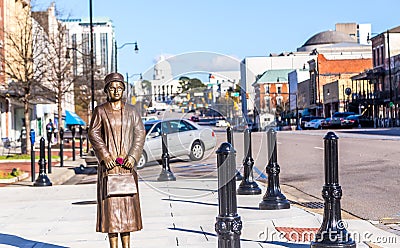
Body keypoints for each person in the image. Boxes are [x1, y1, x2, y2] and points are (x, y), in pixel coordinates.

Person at [88, 72, 146, 248]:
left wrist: (133, 156)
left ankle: (127, 246)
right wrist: (105, 156)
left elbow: (140, 134)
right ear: (106, 90)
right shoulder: (100, 111)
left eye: (119, 88)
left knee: (128, 212)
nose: (116, 91)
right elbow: (93, 133)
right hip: (109, 169)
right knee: (111, 213)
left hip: (127, 168)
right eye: (112, 88)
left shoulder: (131, 111)